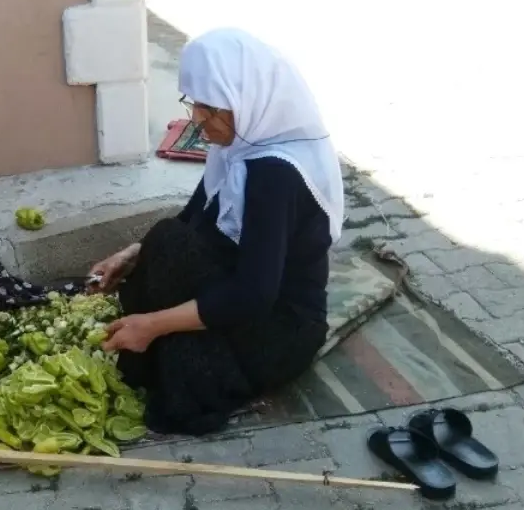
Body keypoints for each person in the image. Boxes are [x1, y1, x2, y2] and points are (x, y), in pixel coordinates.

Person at [88, 28, 344, 436]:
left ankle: (194, 375)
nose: (197, 120)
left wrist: (153, 324)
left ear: (248, 99)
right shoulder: (237, 146)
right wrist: (130, 255)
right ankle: (157, 342)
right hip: (247, 292)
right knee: (165, 240)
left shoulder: (274, 173)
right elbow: (194, 217)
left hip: (280, 327)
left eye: (210, 108)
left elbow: (253, 294)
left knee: (168, 275)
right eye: (194, 103)